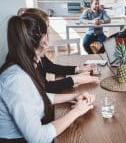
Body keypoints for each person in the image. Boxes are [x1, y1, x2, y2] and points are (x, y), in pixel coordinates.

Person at [0, 13, 95, 142]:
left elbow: (38, 98)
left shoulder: (25, 65)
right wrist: (77, 111)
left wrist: (74, 96)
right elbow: (38, 138)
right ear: (45, 40)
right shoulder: (16, 79)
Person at [18, 8, 99, 93]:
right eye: (45, 30)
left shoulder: (33, 51)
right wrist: (75, 79)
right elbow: (45, 88)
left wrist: (78, 69)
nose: (47, 34)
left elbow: (50, 67)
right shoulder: (27, 60)